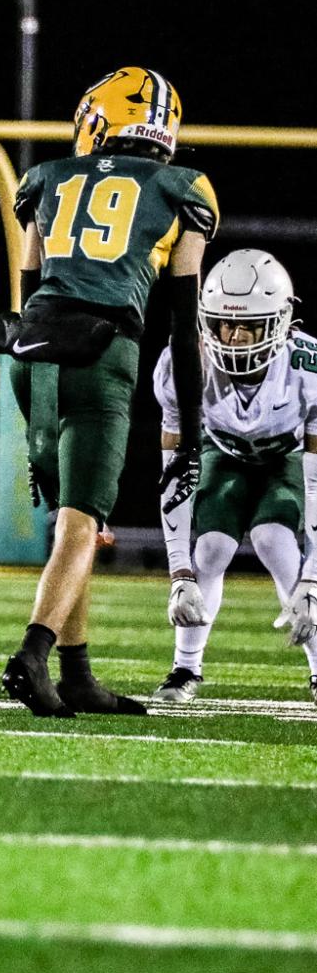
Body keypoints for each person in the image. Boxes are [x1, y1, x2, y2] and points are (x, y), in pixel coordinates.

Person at [0, 67, 217, 717]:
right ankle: (31, 655)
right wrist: (190, 429)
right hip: (102, 354)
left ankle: (77, 673)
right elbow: (181, 323)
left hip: (29, 354)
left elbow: (29, 290)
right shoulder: (184, 188)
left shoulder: (46, 179)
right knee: (82, 526)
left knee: (71, 524)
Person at [152, 250, 317, 706]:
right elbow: (175, 466)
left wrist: (314, 579)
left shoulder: (306, 367)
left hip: (286, 459)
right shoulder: (182, 363)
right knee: (210, 548)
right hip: (220, 454)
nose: (236, 336)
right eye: (226, 324)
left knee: (276, 543)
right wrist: (178, 572)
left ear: (281, 322)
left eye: (250, 326)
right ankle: (186, 667)